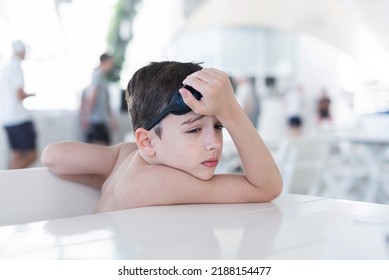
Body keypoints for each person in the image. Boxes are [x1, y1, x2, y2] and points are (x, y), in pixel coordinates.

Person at [41, 61, 282, 213]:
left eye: (219, 126)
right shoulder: (157, 182)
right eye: (194, 130)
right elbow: (266, 187)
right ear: (147, 141)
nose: (214, 143)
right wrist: (231, 111)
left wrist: (104, 180)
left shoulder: (127, 155)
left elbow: (54, 156)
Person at [0, 40, 37, 169]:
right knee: (32, 155)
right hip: (19, 118)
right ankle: (8, 181)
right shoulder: (16, 68)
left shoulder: (5, 69)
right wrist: (32, 95)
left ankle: (9, 184)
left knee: (17, 154)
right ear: (21, 51)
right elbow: (19, 94)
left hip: (6, 119)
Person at [82, 53, 116, 145]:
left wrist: (111, 119)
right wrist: (87, 116)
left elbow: (106, 102)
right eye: (111, 62)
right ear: (105, 61)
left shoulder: (103, 78)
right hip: (96, 120)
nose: (112, 64)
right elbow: (92, 97)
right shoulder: (97, 75)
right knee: (99, 149)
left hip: (102, 120)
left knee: (105, 148)